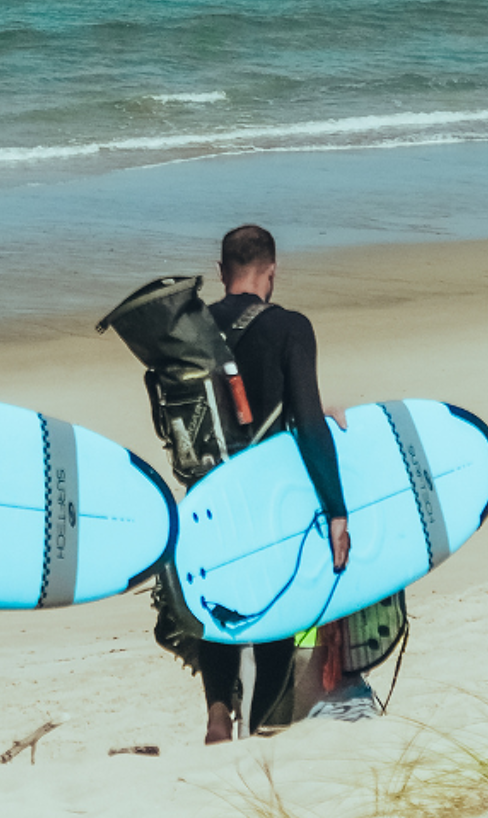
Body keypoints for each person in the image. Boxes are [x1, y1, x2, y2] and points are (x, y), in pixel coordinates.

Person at [196, 224, 351, 743]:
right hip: (266, 499)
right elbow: (307, 424)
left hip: (207, 495)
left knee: (219, 610)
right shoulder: (289, 327)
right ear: (272, 272)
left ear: (221, 273)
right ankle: (261, 727)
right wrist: (336, 512)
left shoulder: (188, 329)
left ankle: (219, 712)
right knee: (274, 624)